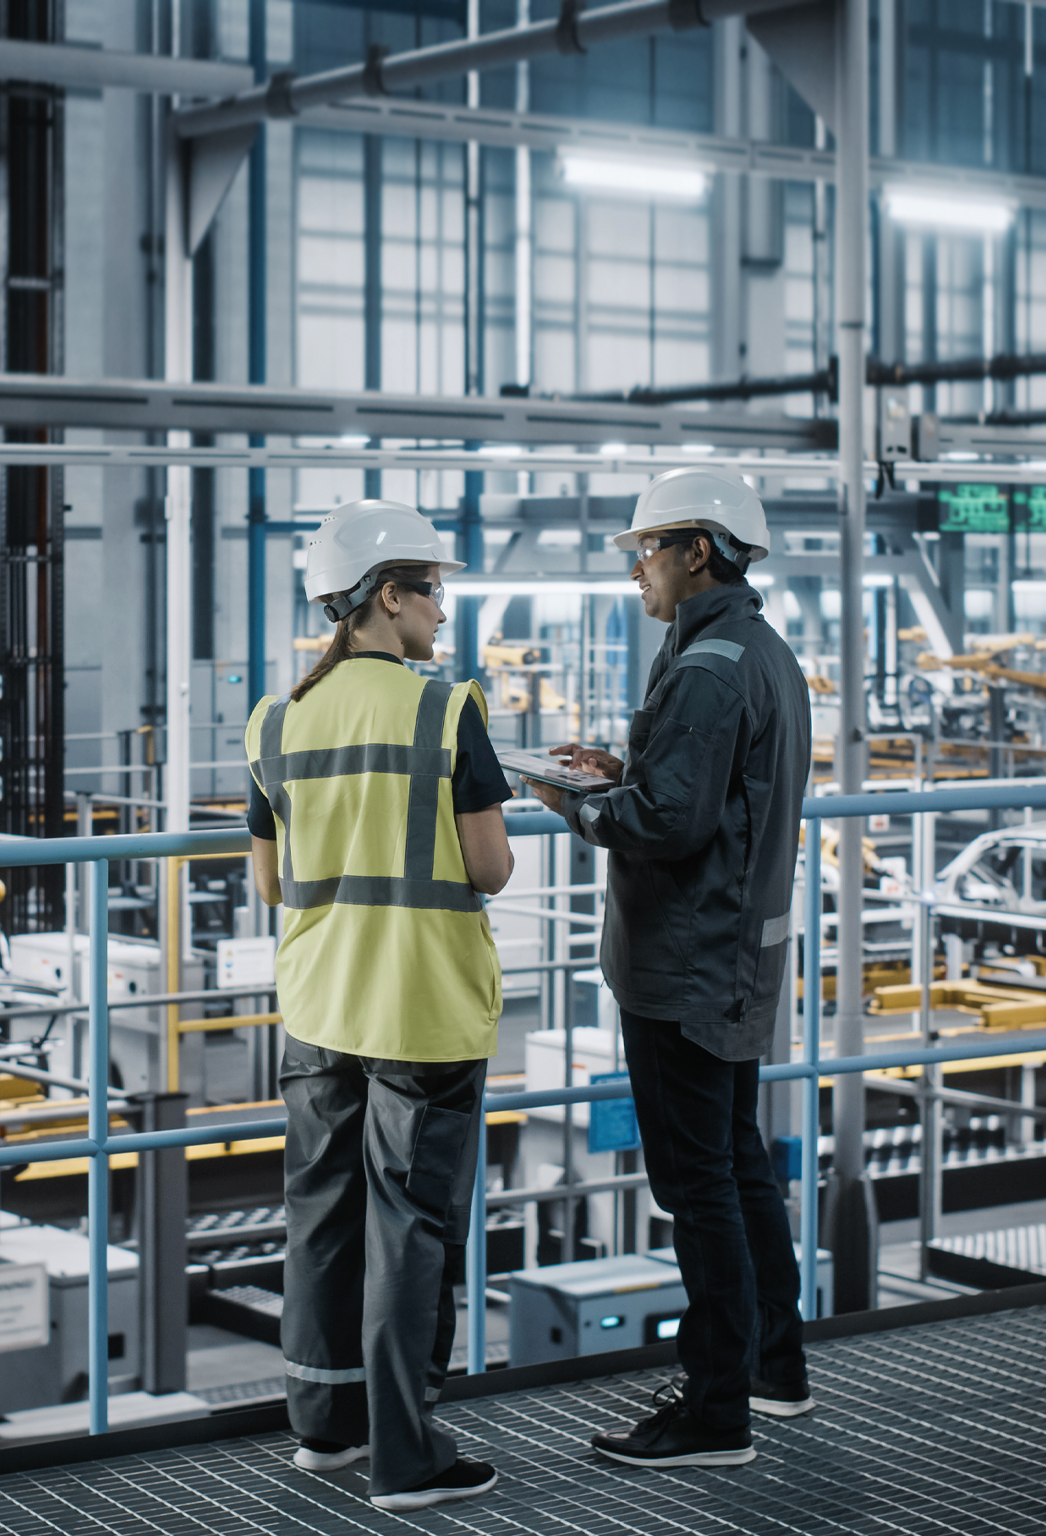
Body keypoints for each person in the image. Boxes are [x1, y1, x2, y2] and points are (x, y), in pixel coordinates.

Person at [521, 465, 814, 1470]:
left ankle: (715, 1410)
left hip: (682, 967)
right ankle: (774, 1368)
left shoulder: (703, 668)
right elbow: (709, 792)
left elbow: (668, 824)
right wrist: (626, 767)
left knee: (698, 1186)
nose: (637, 570)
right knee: (737, 1165)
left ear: (697, 550)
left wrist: (578, 803)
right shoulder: (758, 652)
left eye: (647, 550)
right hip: (734, 956)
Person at [245, 498, 514, 1512]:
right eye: (431, 591)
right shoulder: (447, 711)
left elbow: (271, 886)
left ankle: (324, 1429)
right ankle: (407, 1458)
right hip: (421, 1009)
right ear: (387, 596)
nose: (441, 612)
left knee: (321, 1217)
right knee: (411, 1230)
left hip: (318, 1009)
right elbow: (488, 869)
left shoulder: (277, 719)